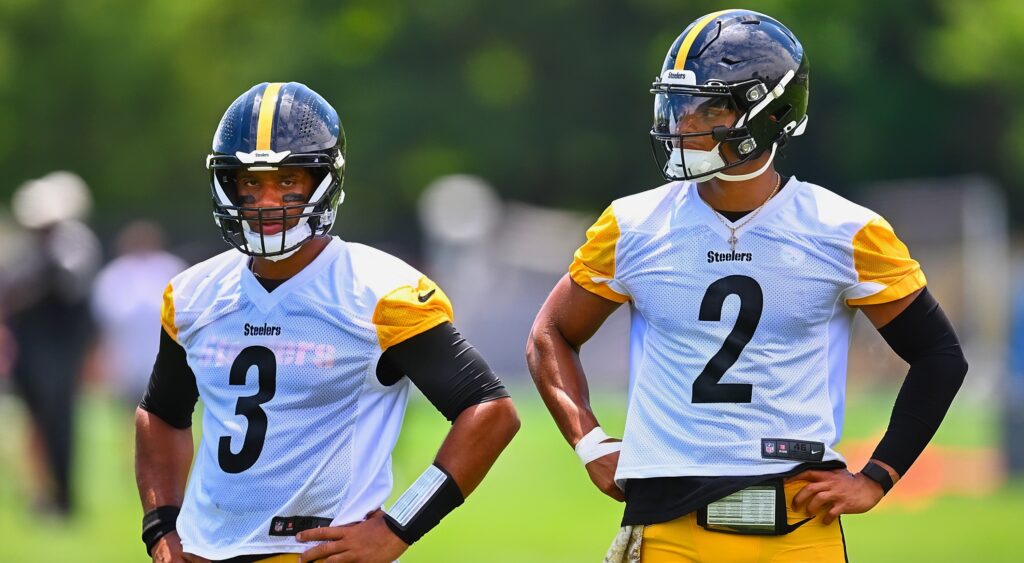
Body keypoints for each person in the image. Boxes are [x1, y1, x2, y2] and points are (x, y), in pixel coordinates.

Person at [526, 10, 968, 562]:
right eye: (678, 103)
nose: (682, 122)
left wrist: (878, 476)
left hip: (798, 522)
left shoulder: (844, 230)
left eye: (706, 106)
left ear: (768, 114)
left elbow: (940, 355)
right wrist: (589, 440)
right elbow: (550, 334)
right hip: (669, 522)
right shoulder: (632, 224)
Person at [135, 82, 520, 563]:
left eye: (288, 180)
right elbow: (161, 414)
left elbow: (490, 410)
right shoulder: (194, 294)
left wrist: (399, 528)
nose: (267, 201)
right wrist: (161, 529)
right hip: (203, 552)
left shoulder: (380, 291)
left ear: (322, 182)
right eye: (251, 182)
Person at [1, 171, 101, 517]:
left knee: (58, 422)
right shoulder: (28, 249)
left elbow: (69, 285)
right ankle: (42, 493)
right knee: (35, 423)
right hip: (31, 351)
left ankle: (62, 496)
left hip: (58, 350)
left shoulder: (71, 244)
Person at [91, 220, 187, 408]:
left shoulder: (170, 267)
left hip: (165, 348)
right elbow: (105, 316)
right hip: (125, 352)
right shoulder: (115, 273)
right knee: (130, 406)